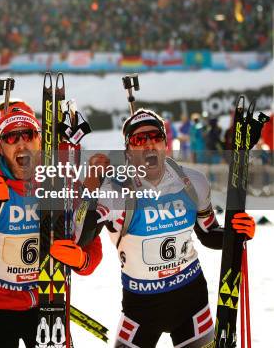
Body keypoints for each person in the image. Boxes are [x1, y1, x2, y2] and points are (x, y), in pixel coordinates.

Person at [76, 108, 257, 348]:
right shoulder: (114, 190)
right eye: (140, 139)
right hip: (140, 307)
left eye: (156, 137)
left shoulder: (193, 182)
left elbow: (209, 234)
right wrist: (89, 188)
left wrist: (237, 232)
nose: (149, 144)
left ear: (165, 142)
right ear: (128, 150)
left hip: (191, 300)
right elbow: (81, 237)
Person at [0, 105, 102, 348]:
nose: (21, 143)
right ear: (0, 146)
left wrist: (81, 260)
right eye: (11, 137)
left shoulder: (61, 183)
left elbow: (90, 242)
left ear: (40, 142)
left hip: (46, 303)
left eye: (29, 135)